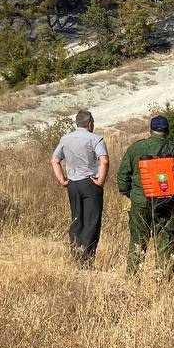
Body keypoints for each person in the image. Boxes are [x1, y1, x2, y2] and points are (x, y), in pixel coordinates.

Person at [117, 115, 174, 278]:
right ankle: (163, 280)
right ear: (167, 131)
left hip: (140, 203)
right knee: (164, 242)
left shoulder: (136, 148)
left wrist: (131, 194)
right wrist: (171, 195)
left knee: (138, 240)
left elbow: (122, 175)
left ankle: (132, 278)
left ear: (150, 130)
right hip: (165, 204)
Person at [51, 110, 109, 266]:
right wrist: (100, 181)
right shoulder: (95, 139)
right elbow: (103, 161)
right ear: (90, 124)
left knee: (77, 220)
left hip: (73, 184)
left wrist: (63, 180)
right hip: (90, 183)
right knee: (91, 222)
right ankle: (86, 260)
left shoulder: (65, 139)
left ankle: (75, 255)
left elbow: (55, 160)